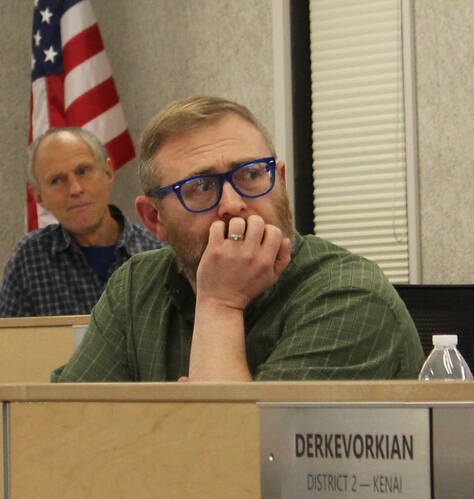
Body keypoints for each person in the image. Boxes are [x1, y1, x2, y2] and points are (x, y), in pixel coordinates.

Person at [50, 96, 420, 382]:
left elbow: (240, 461)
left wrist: (221, 302)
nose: (233, 204)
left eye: (251, 175)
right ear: (154, 219)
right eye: (200, 187)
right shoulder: (135, 287)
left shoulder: (350, 296)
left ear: (281, 183)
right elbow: (68, 431)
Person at [0, 126, 161, 317]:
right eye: (57, 180)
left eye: (83, 171)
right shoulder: (30, 258)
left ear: (108, 173)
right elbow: (6, 342)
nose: (75, 189)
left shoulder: (158, 248)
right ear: (39, 197)